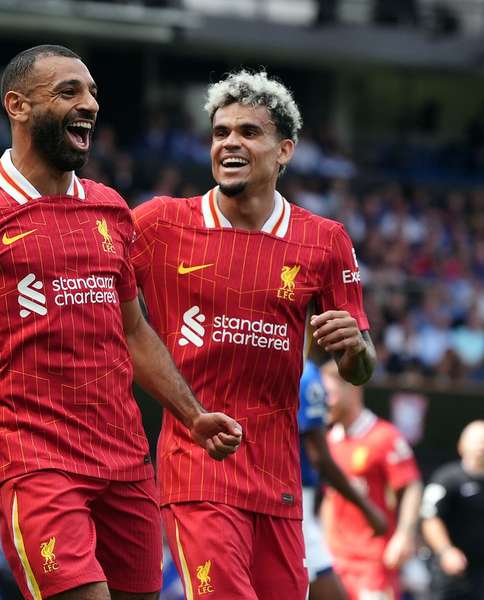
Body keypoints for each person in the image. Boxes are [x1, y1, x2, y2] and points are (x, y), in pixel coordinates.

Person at [0, 45, 242, 600]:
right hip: (32, 456)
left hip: (124, 457)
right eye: (70, 91)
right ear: (18, 105)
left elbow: (134, 331)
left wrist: (191, 416)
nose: (91, 104)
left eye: (93, 92)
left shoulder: (110, 209)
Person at [130, 70, 376, 599]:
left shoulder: (325, 242)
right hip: (198, 470)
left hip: (279, 482)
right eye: (220, 133)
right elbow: (96, 284)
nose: (230, 143)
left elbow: (362, 365)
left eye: (248, 132)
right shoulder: (159, 224)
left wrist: (355, 348)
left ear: (284, 150)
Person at [320, 359, 422, 600]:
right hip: (335, 560)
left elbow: (411, 486)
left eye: (329, 394)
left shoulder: (385, 436)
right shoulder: (328, 441)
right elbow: (329, 498)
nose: (324, 402)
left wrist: (405, 535)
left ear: (352, 389)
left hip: (373, 563)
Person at [299, 359, 388, 600]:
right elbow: (320, 458)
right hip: (294, 506)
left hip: (292, 503)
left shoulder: (383, 434)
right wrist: (368, 509)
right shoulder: (306, 374)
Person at [421, 420, 484, 600]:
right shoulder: (447, 478)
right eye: (477, 441)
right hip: (451, 572)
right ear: (461, 445)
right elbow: (430, 517)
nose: (481, 446)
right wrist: (446, 550)